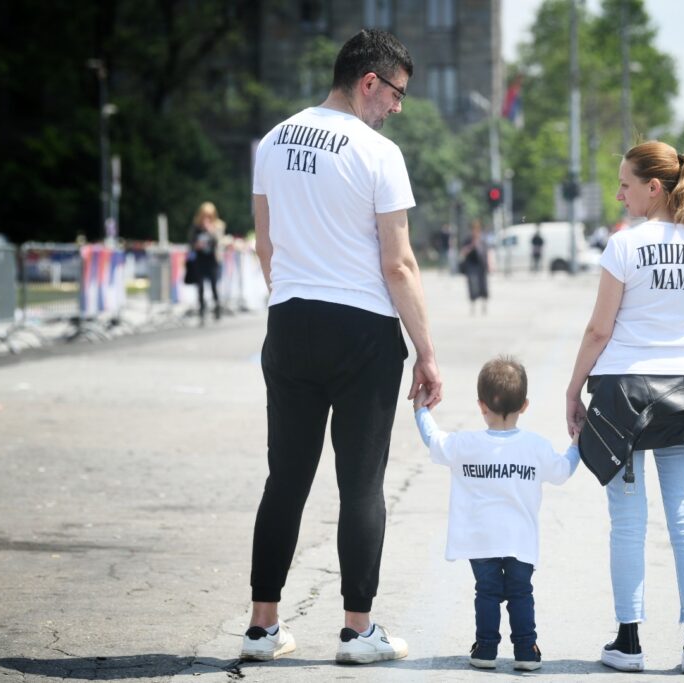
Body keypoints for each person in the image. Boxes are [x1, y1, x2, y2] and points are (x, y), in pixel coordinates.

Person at [244, 29, 442, 665]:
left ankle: (262, 627)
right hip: (361, 331)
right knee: (361, 485)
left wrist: (293, 298)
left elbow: (264, 244)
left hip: (290, 322)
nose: (398, 108)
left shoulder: (273, 141)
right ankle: (358, 633)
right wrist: (428, 351)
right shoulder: (377, 154)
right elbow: (399, 265)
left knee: (286, 479)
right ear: (369, 82)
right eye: (397, 94)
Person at [565, 140, 684, 675]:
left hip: (622, 395)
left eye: (625, 184)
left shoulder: (625, 246)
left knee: (627, 523)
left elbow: (599, 328)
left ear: (653, 188)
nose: (619, 194)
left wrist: (574, 388)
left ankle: (629, 642)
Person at [413, 356, 580, 671]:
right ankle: (526, 649)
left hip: (480, 540)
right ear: (525, 405)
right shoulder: (535, 446)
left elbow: (433, 440)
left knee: (486, 592)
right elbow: (562, 471)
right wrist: (577, 443)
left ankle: (486, 648)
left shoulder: (466, 444)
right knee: (521, 593)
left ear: (481, 405)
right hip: (521, 540)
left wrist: (421, 410)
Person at [189, 202, 224, 322]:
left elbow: (218, 242)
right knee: (200, 286)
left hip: (212, 260)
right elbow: (191, 243)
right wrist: (196, 245)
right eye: (204, 216)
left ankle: (217, 307)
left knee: (214, 285)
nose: (206, 219)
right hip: (200, 259)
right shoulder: (196, 227)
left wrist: (210, 230)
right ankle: (202, 310)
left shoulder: (217, 226)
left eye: (209, 216)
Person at [460, 220, 491, 314]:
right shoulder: (468, 239)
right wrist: (472, 245)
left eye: (478, 229)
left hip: (481, 265)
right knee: (472, 285)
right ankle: (473, 306)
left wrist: (489, 264)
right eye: (474, 229)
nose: (476, 231)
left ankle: (484, 306)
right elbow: (463, 252)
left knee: (483, 285)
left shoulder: (482, 239)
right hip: (471, 265)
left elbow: (487, 252)